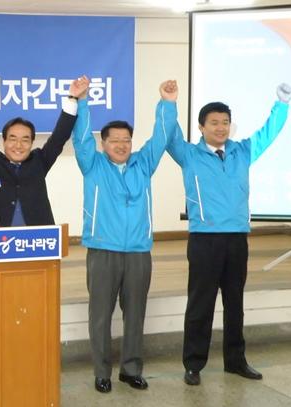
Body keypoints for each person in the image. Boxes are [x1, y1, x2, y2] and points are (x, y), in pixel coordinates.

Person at [167, 83, 291, 386]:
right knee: (201, 304)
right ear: (201, 127)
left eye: (225, 122)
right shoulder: (189, 154)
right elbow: (169, 135)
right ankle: (193, 364)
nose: (221, 127)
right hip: (205, 239)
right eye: (214, 122)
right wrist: (169, 104)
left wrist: (282, 104)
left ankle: (235, 361)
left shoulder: (242, 151)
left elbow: (268, 133)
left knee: (235, 303)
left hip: (237, 238)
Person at [72, 79, 179, 394]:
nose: (121, 145)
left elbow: (161, 137)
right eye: (114, 140)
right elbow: (80, 136)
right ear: (103, 143)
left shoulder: (143, 164)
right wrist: (82, 102)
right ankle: (101, 372)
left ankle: (131, 370)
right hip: (102, 251)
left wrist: (168, 103)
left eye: (126, 140)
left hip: (138, 253)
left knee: (135, 315)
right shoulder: (92, 164)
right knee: (100, 316)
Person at [0, 71, 89, 227]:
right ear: (4, 141)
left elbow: (59, 137)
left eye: (25, 140)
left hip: (36, 238)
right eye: (13, 139)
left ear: (32, 143)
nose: (18, 145)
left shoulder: (39, 161)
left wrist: (73, 98)